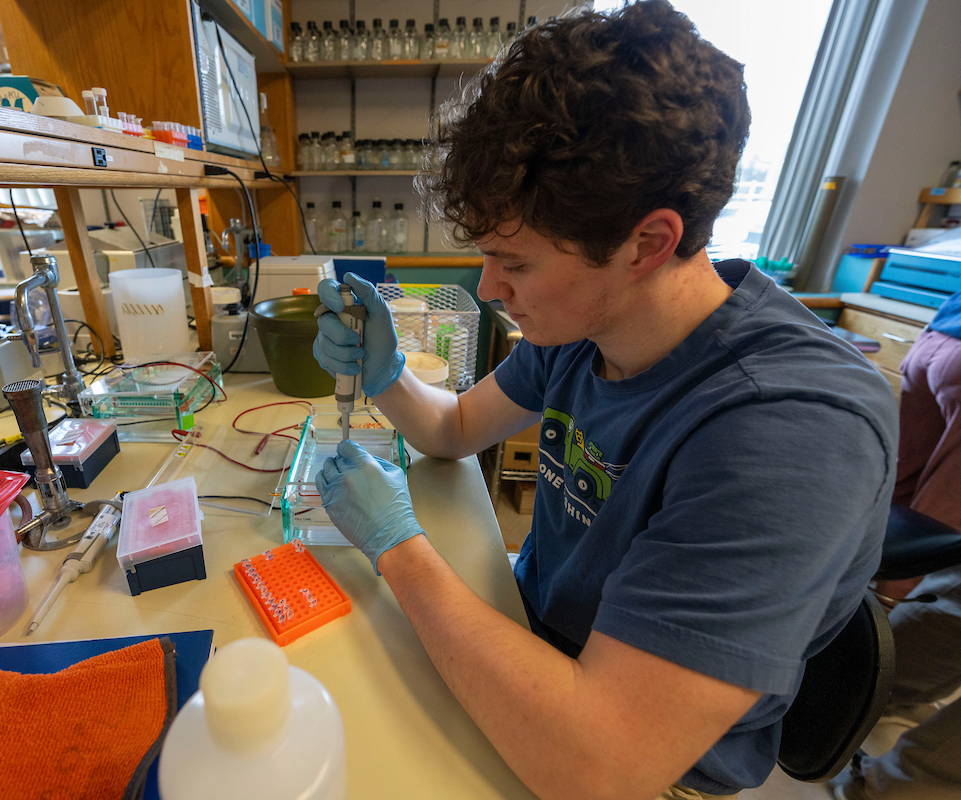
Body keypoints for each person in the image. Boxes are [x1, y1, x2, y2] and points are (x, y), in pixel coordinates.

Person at [311, 3, 899, 799]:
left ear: (647, 244)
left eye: (514, 262)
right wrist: (386, 377)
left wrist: (399, 548)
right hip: (543, 645)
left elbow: (600, 765)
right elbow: (454, 428)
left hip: (639, 765)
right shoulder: (586, 328)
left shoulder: (790, 430)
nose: (489, 289)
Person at [830, 291, 961, 800]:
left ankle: (849, 686)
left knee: (894, 510)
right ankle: (889, 785)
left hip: (941, 338)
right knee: (937, 550)